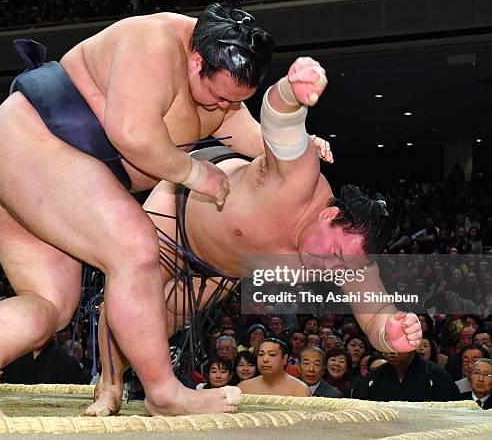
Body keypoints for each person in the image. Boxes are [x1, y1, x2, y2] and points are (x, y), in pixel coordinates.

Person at [0, 2, 276, 418]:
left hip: (22, 161)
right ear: (196, 60)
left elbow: (251, 135)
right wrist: (195, 173)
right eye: (218, 95)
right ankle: (164, 393)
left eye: (234, 101)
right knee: (135, 249)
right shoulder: (154, 42)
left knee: (50, 303)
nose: (220, 107)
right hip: (39, 143)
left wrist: (296, 148)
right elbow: (133, 134)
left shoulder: (220, 90)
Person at [89, 55, 422, 415]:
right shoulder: (299, 176)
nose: (333, 267)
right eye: (336, 253)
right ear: (330, 214)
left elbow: (374, 315)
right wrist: (291, 91)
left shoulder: (349, 258)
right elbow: (279, 120)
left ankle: (144, 384)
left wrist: (390, 333)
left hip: (221, 267)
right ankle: (108, 384)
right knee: (133, 288)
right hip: (180, 208)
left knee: (163, 317)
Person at [238, 338, 311, 397]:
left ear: (284, 359)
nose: (265, 359)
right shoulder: (244, 388)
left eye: (272, 355)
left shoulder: (300, 390)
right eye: (261, 354)